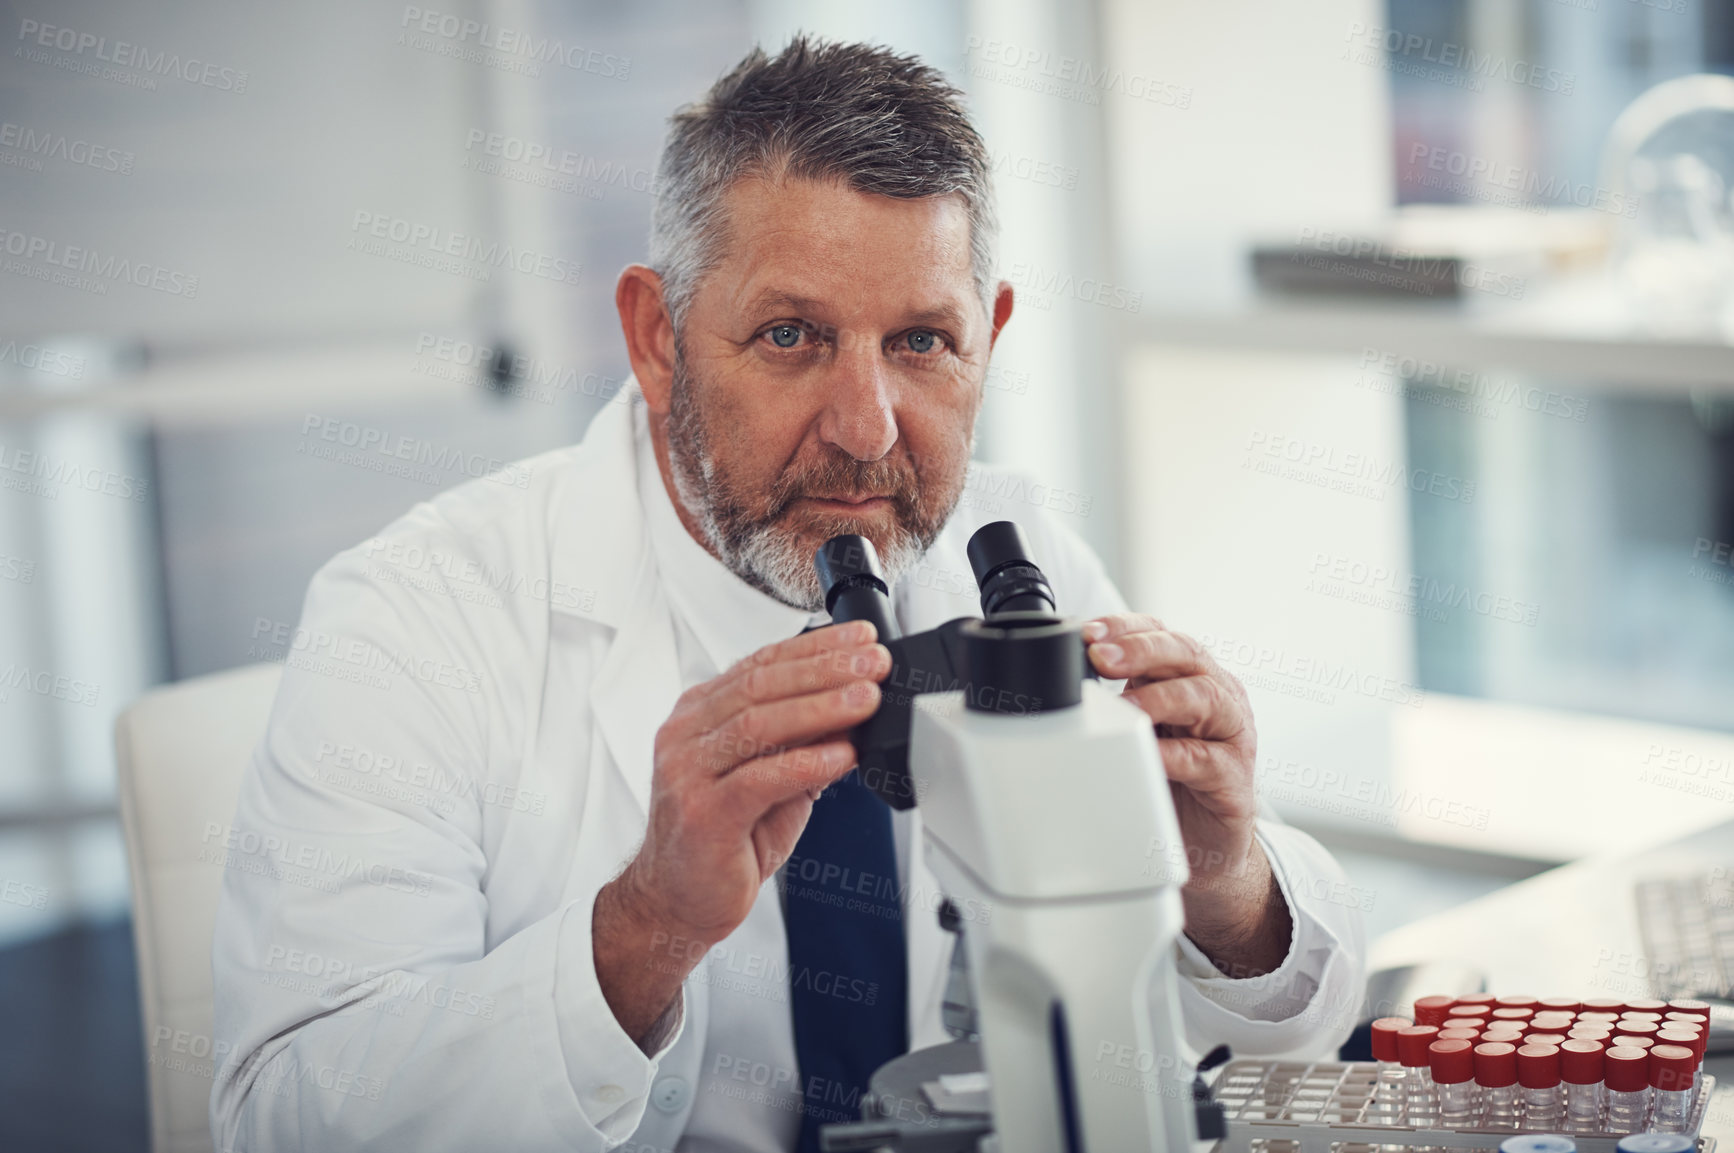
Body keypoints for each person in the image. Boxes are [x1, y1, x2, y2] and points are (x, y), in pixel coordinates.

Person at [211, 36, 1366, 1153]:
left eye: (922, 341)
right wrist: (644, 930)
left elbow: (1230, 1053)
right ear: (657, 337)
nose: (866, 432)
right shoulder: (413, 621)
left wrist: (1224, 886)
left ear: (990, 336)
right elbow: (284, 1114)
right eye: (790, 335)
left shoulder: (1014, 557)